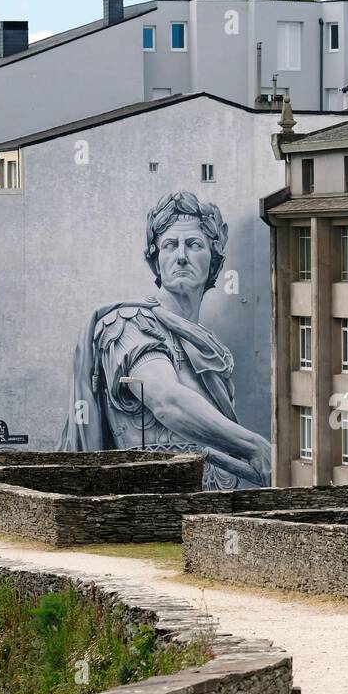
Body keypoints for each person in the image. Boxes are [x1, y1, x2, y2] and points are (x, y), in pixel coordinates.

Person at [59, 191, 271, 488]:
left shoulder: (210, 349)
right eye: (170, 245)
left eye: (194, 244)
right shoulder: (127, 322)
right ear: (156, 260)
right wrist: (254, 447)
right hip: (142, 514)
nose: (181, 256)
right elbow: (166, 400)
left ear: (214, 260)